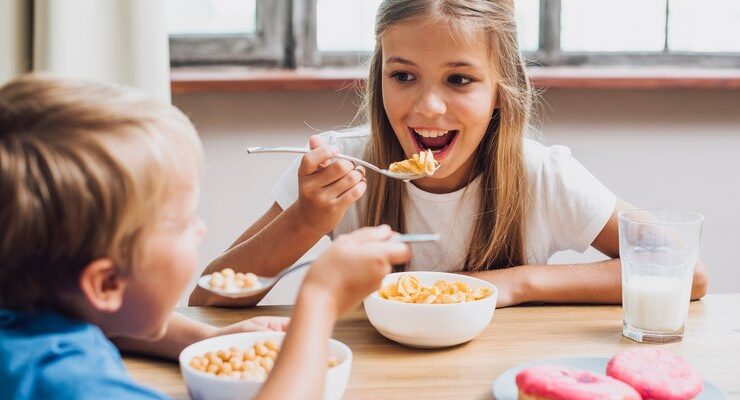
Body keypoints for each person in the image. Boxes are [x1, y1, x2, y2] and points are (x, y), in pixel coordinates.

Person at [190, 0, 707, 308]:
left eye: (459, 79)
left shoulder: (540, 175)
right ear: (380, 77)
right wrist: (304, 221)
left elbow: (684, 270)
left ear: (501, 90)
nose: (428, 107)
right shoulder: (340, 164)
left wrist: (514, 284)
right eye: (403, 76)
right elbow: (208, 298)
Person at [0, 74, 410, 399]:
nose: (200, 229)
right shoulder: (75, 387)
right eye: (181, 222)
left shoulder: (31, 310)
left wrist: (207, 339)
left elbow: (108, 320)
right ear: (106, 282)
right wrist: (319, 302)